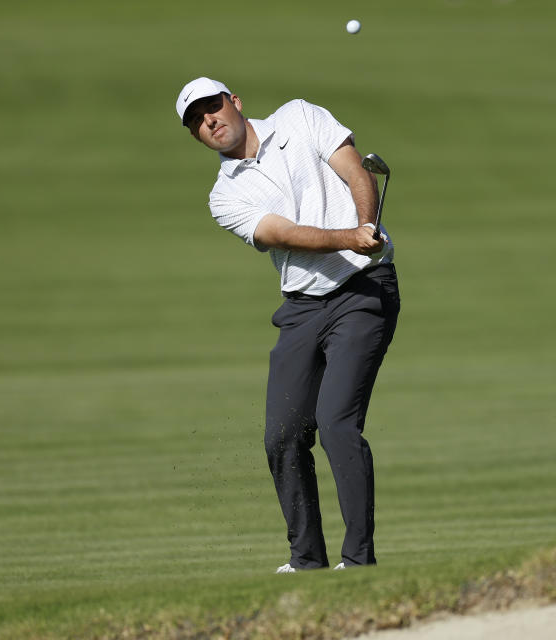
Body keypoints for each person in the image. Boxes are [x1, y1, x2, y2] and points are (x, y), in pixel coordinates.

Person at [176, 77, 400, 572]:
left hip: (363, 290)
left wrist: (365, 227)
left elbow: (356, 171)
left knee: (337, 422)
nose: (208, 121)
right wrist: (348, 236)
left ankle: (359, 561)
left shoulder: (299, 116)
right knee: (282, 435)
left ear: (234, 102)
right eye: (196, 121)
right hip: (301, 307)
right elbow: (283, 233)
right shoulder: (224, 196)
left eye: (212, 107)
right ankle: (307, 561)